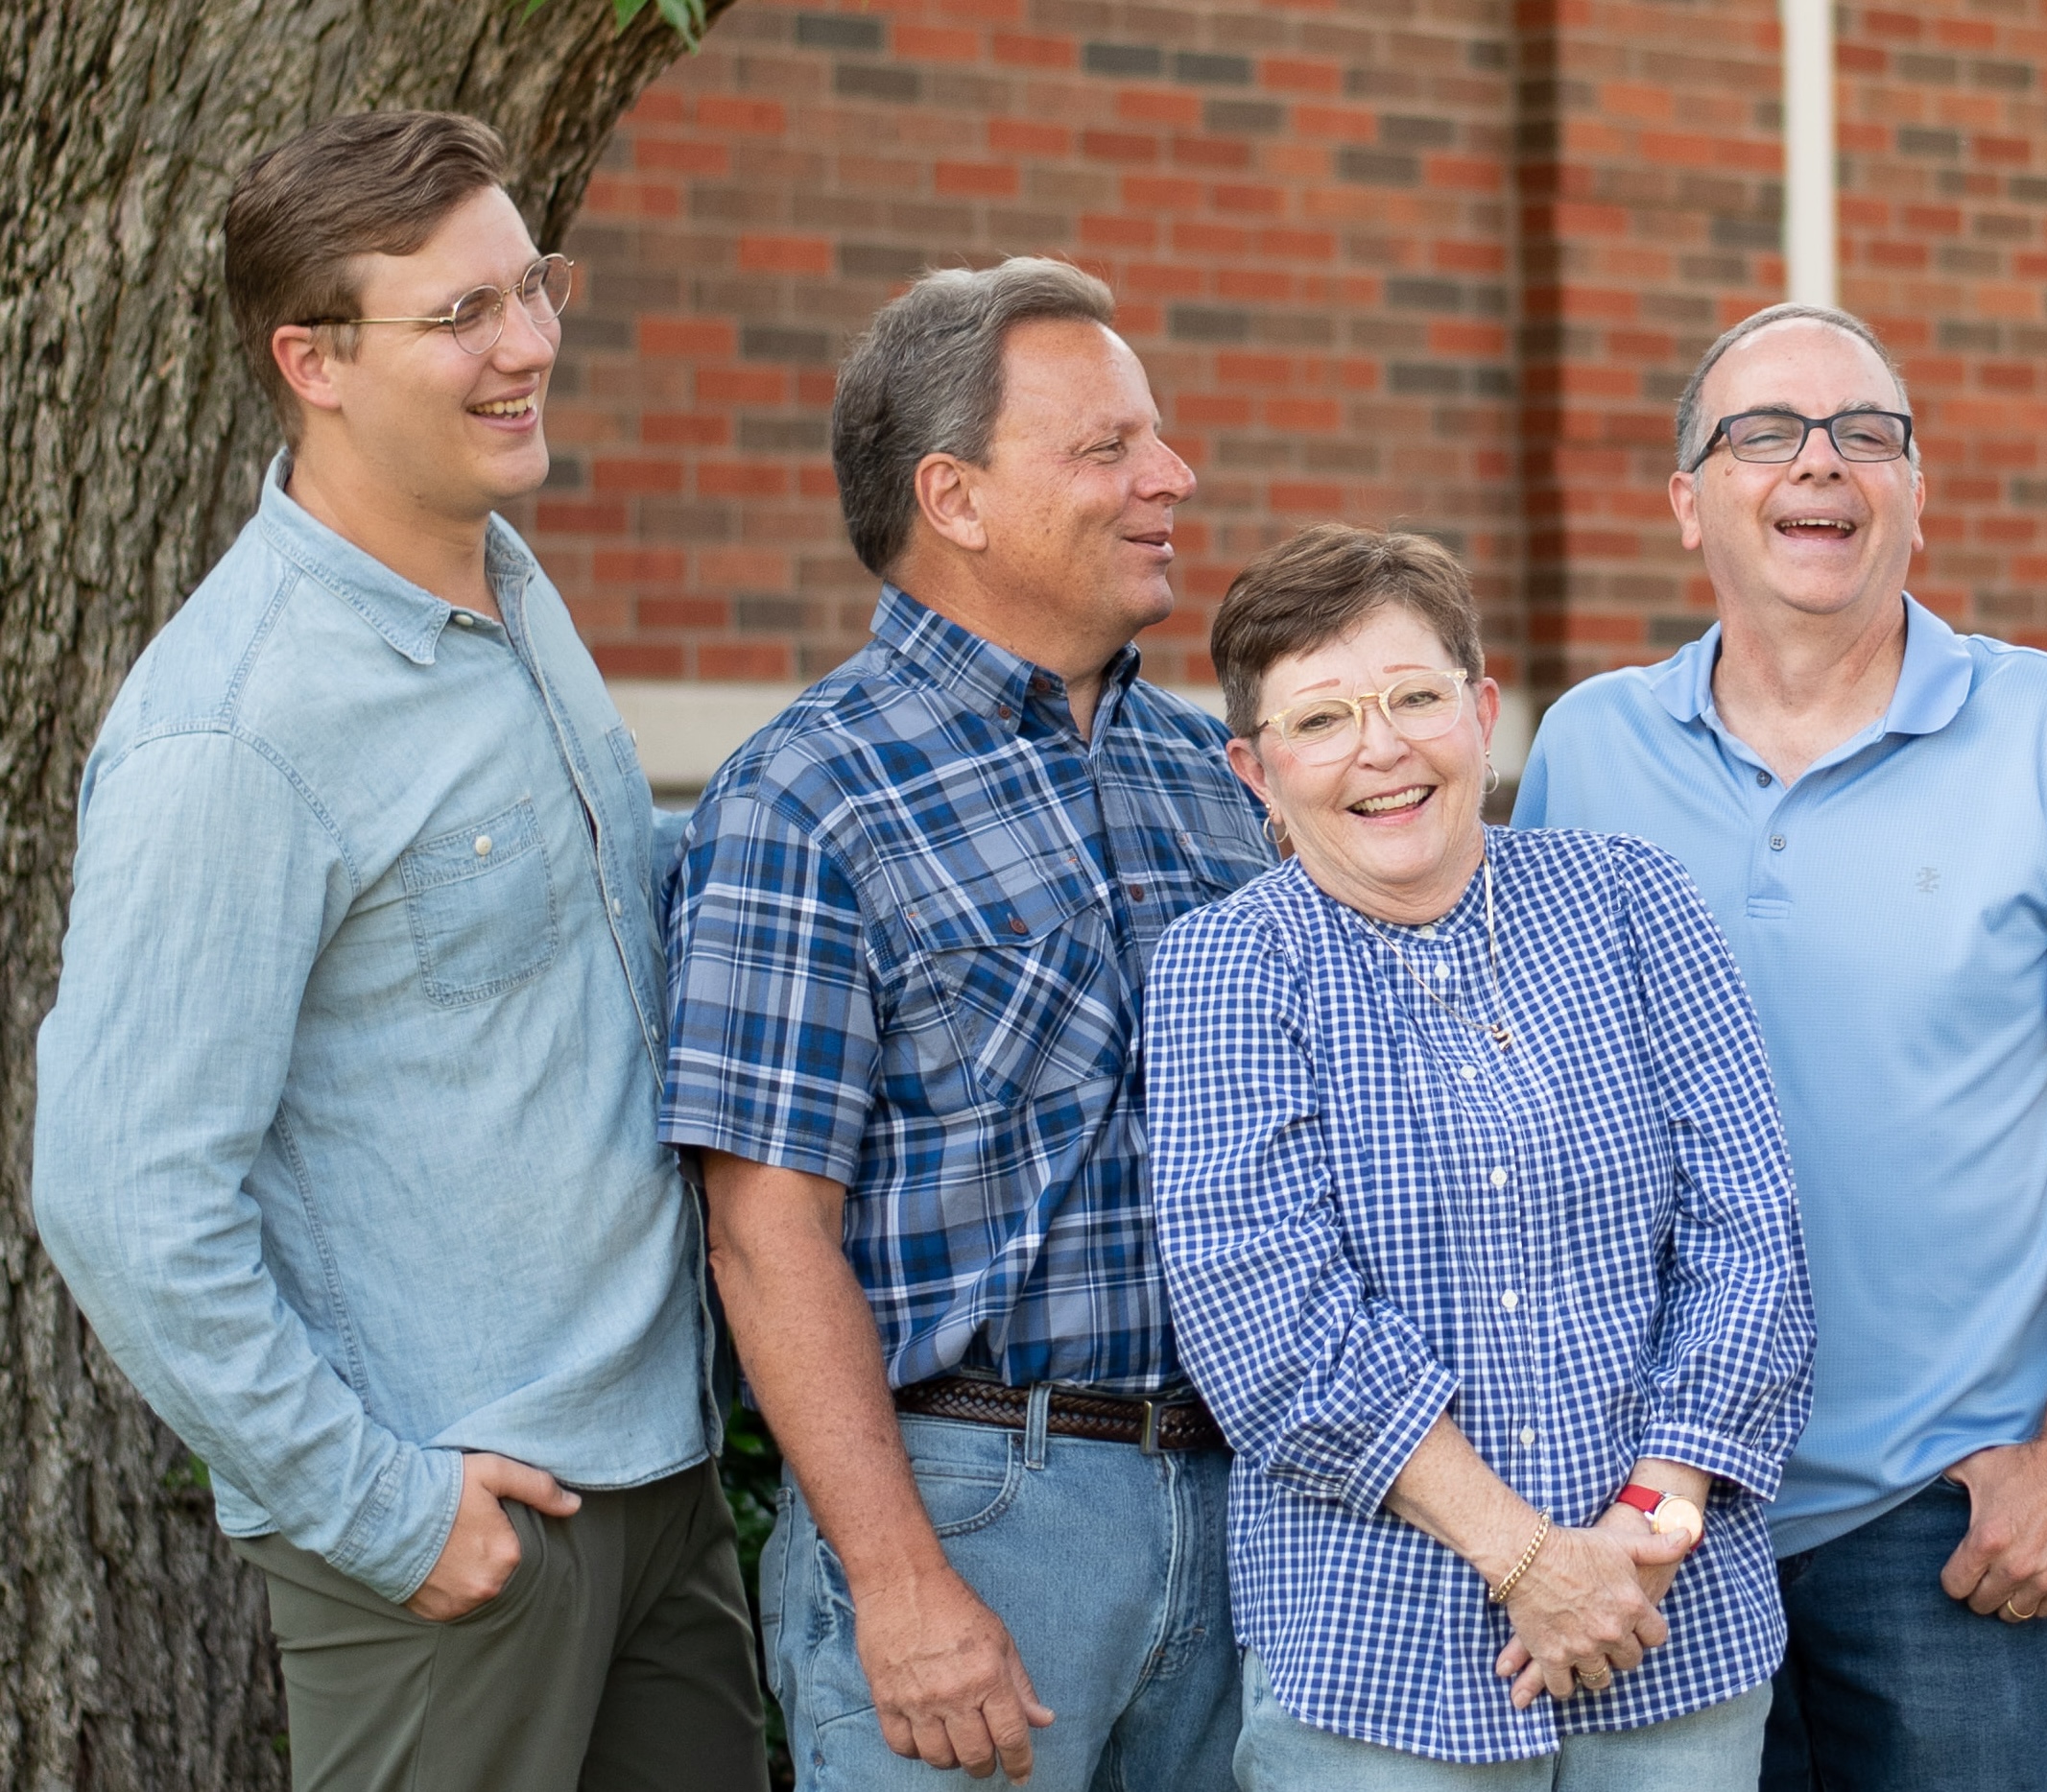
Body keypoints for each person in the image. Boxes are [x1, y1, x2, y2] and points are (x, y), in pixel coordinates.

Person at [29, 110, 764, 1790]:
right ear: (316, 360)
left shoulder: (508, 584)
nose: (529, 347)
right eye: (460, 317)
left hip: (653, 1478)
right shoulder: (239, 727)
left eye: (533, 289)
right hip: (465, 1529)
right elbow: (122, 1189)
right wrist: (382, 1507)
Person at [1511, 302, 2047, 1792]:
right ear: (1688, 504)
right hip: (1654, 1500)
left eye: (1867, 434)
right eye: (1764, 433)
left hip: (1943, 1512)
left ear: (1913, 492)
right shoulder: (1588, 749)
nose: (1821, 464)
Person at [660, 257, 1272, 1787]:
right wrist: (900, 1581)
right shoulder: (809, 796)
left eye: (1157, 438)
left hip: (1250, 1509)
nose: (1169, 476)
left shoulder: (1209, 778)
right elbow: (764, 1233)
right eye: (1107, 447)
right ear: (956, 495)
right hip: (979, 1508)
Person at [1149, 522, 1820, 1785]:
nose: (1381, 748)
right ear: (1255, 767)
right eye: (1322, 718)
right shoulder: (1227, 969)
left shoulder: (1632, 902)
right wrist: (1531, 1565)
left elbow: (1750, 1241)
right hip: (1375, 1653)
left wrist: (1636, 1542)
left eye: (1414, 696)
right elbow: (1265, 1322)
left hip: (1669, 1628)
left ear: (1485, 708)